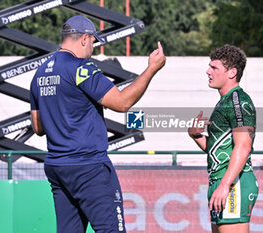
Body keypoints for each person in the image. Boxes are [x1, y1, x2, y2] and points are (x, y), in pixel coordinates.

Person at [30, 15, 166, 233]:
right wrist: (151, 68)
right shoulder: (81, 68)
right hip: (88, 167)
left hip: (57, 166)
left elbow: (38, 127)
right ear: (84, 38)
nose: (92, 48)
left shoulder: (40, 73)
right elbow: (121, 103)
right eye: (93, 42)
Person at [188, 45, 258, 233]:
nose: (208, 71)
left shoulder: (238, 101)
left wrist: (226, 185)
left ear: (232, 73)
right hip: (222, 181)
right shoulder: (225, 100)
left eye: (214, 67)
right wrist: (196, 136)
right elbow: (220, 150)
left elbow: (243, 147)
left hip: (234, 183)